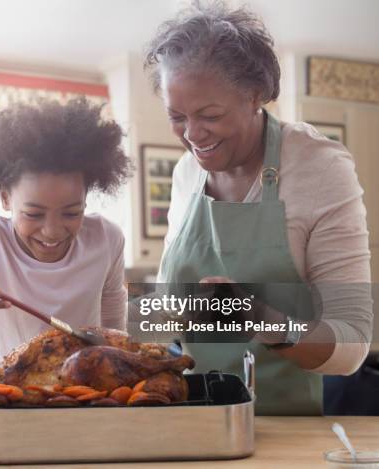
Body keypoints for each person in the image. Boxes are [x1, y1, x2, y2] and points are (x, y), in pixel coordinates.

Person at [144, 1, 372, 415]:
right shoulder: (185, 174)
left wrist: (256, 315)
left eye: (209, 115)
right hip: (196, 419)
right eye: (176, 117)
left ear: (256, 95)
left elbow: (353, 344)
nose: (193, 135)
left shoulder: (318, 167)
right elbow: (168, 314)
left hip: (290, 428)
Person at [0, 97, 131, 381]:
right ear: (5, 197)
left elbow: (113, 332)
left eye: (72, 213)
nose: (53, 231)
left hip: (81, 400)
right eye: (34, 214)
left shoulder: (106, 239)